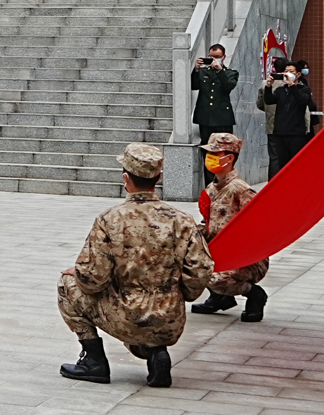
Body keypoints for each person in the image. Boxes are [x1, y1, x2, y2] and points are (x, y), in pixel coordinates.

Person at [57, 143, 214, 388]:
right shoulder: (182, 220)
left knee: (67, 284)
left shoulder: (110, 219)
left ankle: (94, 361)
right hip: (170, 320)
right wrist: (181, 295)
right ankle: (154, 352)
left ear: (125, 178)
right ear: (159, 178)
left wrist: (77, 274)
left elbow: (93, 279)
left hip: (128, 318)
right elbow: (201, 269)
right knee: (145, 317)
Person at [189, 132, 269, 321]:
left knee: (211, 277)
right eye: (209, 154)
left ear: (230, 158)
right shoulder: (212, 189)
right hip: (220, 251)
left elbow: (258, 226)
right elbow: (208, 224)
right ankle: (219, 298)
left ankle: (254, 294)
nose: (209, 159)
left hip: (246, 257)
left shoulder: (240, 189)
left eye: (215, 155)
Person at [190, 43, 237, 183]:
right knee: (209, 154)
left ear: (224, 57)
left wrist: (220, 70)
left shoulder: (230, 73)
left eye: (217, 57)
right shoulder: (204, 72)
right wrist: (196, 70)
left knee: (225, 153)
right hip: (206, 118)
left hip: (223, 119)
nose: (214, 59)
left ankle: (225, 182)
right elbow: (193, 85)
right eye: (211, 57)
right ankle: (210, 185)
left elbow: (229, 86)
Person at [263, 60, 315, 174]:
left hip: (296, 133)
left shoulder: (304, 89)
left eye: (291, 71)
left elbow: (302, 101)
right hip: (280, 132)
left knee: (296, 163)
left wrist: (292, 86)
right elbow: (269, 100)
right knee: (282, 163)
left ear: (298, 74)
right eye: (286, 71)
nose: (287, 73)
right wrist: (268, 87)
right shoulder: (281, 90)